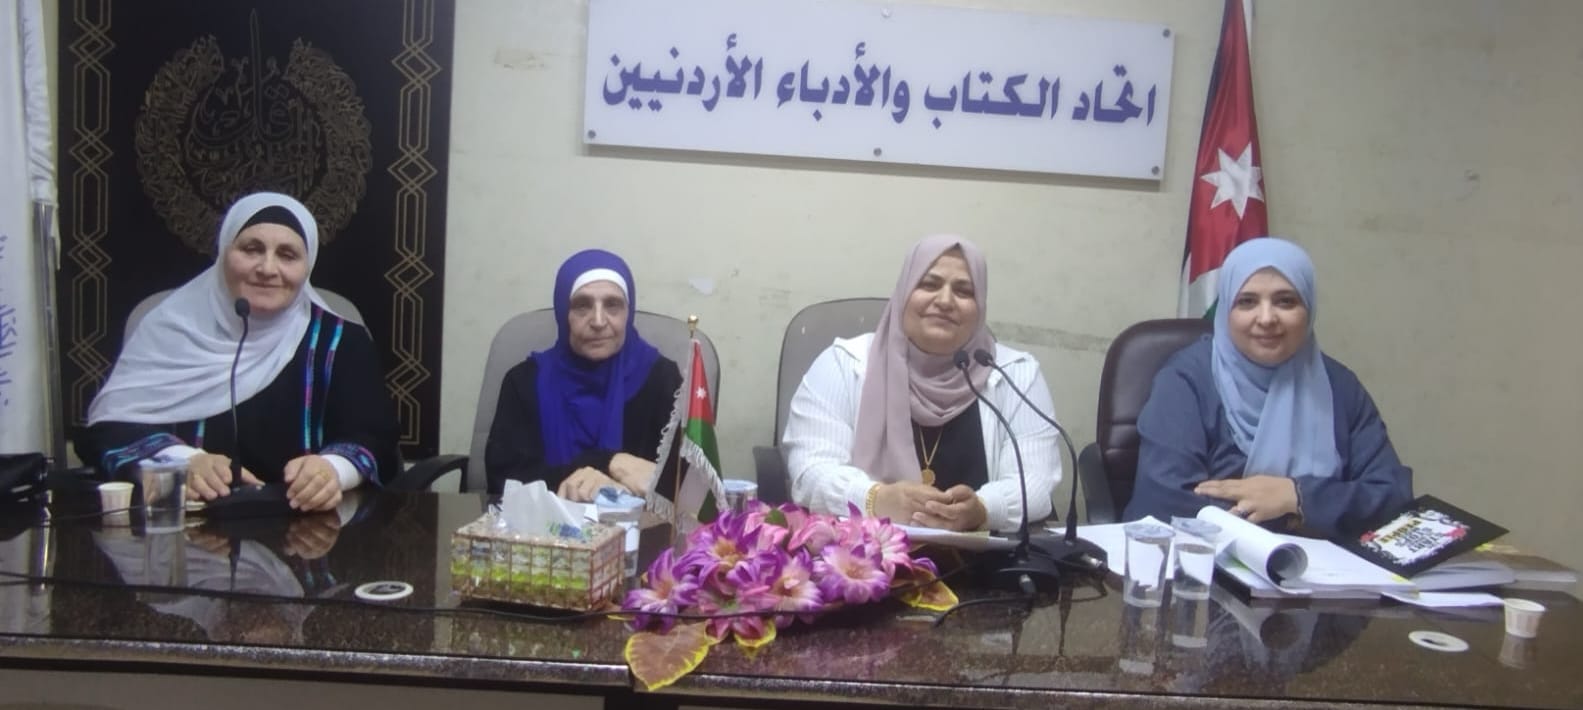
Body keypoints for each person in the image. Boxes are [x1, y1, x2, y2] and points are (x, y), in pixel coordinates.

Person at [79, 192, 400, 512]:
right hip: (186, 527)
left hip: (308, 527)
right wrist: (182, 461)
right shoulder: (168, 331)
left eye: (287, 255)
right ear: (224, 254)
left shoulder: (340, 341)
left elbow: (375, 438)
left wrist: (332, 470)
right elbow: (110, 428)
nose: (267, 268)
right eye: (252, 249)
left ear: (308, 267)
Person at [1123, 238, 1412, 537]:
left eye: (1285, 301)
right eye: (1247, 302)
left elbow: (1393, 496)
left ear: (1309, 308)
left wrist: (1298, 496)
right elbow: (1165, 502)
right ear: (1226, 310)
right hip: (1208, 560)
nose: (1266, 318)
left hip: (1326, 563)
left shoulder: (1339, 387)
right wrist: (1294, 515)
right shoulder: (1186, 380)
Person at [782, 235, 1061, 533]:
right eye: (929, 284)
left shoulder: (1014, 374)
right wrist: (875, 499)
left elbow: (1035, 481)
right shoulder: (843, 364)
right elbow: (810, 470)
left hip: (982, 556)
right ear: (904, 292)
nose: (945, 301)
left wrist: (984, 509)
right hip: (863, 553)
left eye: (963, 291)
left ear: (980, 305)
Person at [485, 249, 683, 500]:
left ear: (628, 312)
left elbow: (691, 487)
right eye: (582, 306)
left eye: (612, 305)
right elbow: (503, 482)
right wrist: (610, 463)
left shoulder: (662, 379)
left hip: (641, 524)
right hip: (546, 524)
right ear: (562, 313)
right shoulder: (524, 382)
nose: (598, 321)